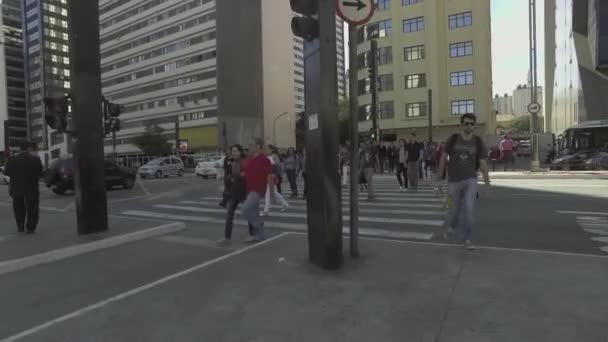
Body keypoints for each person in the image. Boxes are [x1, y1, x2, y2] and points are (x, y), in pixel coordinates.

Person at [436, 113, 491, 250]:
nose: (469, 126)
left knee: (469, 209)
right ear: (462, 124)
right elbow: (443, 159)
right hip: (453, 181)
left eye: (472, 124)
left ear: (474, 125)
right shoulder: (453, 139)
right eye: (466, 123)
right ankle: (451, 227)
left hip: (470, 179)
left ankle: (467, 239)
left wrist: (487, 184)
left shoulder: (478, 142)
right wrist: (439, 180)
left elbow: (483, 164)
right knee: (454, 211)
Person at [4, 142, 43, 234]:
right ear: (29, 148)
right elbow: (40, 173)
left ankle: (20, 226)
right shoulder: (36, 159)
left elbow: (6, 172)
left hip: (16, 187)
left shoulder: (12, 159)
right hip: (32, 187)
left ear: (19, 149)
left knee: (18, 207)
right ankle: (30, 227)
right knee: (32, 207)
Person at [241, 138, 272, 242]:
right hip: (248, 189)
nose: (249, 146)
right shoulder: (249, 159)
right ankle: (259, 235)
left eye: (251, 144)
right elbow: (246, 172)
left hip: (258, 189)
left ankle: (259, 226)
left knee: (245, 209)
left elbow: (269, 176)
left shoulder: (265, 160)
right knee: (253, 211)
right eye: (249, 144)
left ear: (258, 146)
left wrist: (271, 192)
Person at [218, 144, 247, 245]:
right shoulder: (228, 161)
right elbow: (227, 176)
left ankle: (254, 233)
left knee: (248, 212)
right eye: (233, 151)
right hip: (232, 192)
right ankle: (227, 238)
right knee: (229, 214)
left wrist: (236, 176)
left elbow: (245, 175)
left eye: (236, 151)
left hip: (243, 191)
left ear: (240, 152)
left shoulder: (245, 161)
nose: (234, 153)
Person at [262, 144, 289, 216]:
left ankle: (266, 210)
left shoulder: (274, 156)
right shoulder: (264, 156)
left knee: (267, 193)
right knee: (275, 192)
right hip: (266, 176)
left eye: (267, 149)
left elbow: (278, 167)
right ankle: (285, 204)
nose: (266, 150)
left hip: (272, 176)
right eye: (265, 149)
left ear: (271, 150)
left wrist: (276, 174)